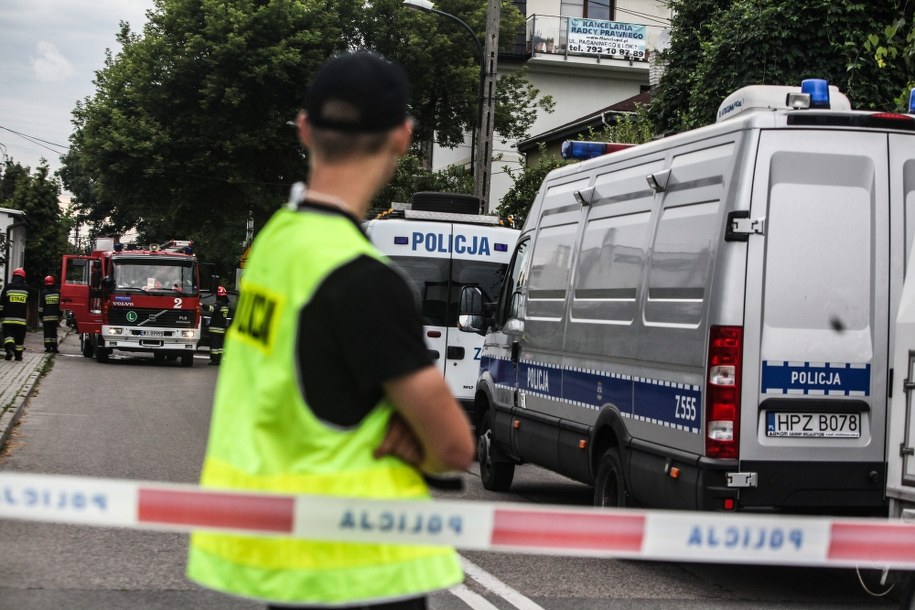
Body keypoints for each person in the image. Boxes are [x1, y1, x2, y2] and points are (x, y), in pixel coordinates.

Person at [186, 51, 475, 609]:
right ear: (402, 137)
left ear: (304, 129)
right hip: (360, 571)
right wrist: (419, 437)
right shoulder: (362, 278)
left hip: (292, 561)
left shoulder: (275, 244)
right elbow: (455, 447)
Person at [0, 268, 30, 361]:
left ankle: (9, 350)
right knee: (20, 339)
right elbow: (30, 301)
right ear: (23, 278)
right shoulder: (26, 288)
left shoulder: (8, 287)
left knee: (8, 336)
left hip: (8, 319)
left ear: (13, 276)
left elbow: (1, 304)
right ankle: (18, 356)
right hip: (21, 320)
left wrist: (1, 315)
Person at [202, 285, 230, 365]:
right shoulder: (226, 305)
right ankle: (220, 359)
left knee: (214, 346)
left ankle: (215, 360)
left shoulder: (219, 304)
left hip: (215, 329)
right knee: (220, 347)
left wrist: (203, 305)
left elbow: (212, 309)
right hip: (222, 329)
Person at [39, 275, 61, 353]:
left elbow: (41, 306)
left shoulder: (44, 293)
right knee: (54, 333)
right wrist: (60, 315)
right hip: (54, 317)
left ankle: (48, 348)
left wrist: (40, 316)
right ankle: (54, 348)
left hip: (46, 317)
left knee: (47, 333)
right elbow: (60, 305)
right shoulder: (58, 292)